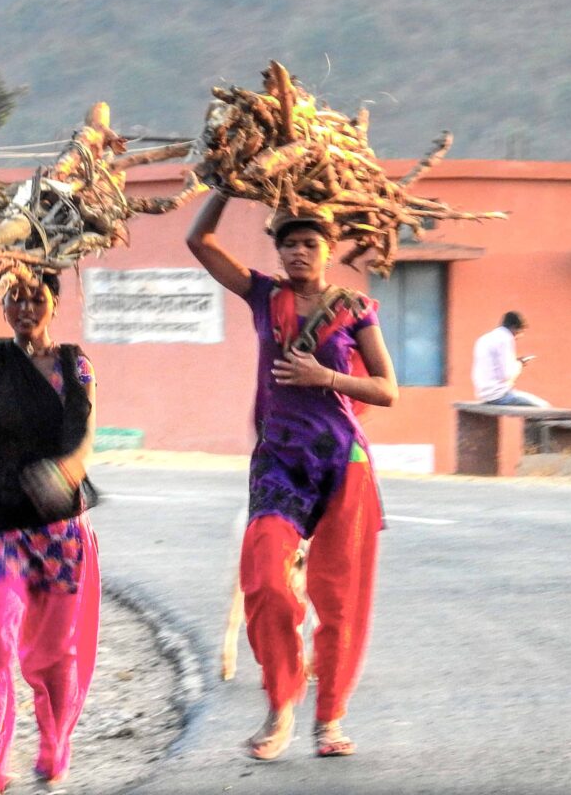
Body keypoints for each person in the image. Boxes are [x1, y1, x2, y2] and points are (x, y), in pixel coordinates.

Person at [186, 191, 398, 761]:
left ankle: (329, 718)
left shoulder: (356, 308)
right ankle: (281, 702)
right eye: (291, 243)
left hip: (341, 461)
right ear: (278, 252)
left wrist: (324, 375)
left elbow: (387, 389)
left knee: (339, 597)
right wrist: (228, 183)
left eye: (311, 243)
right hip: (279, 461)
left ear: (329, 251)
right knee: (264, 575)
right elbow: (198, 243)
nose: (301, 252)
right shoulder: (264, 295)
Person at [0, 272, 100, 795]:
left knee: (50, 656)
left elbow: (83, 440)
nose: (26, 307)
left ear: (55, 303)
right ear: (2, 305)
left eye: (37, 297)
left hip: (56, 532)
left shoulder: (73, 364)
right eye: (14, 297)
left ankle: (55, 744)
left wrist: (64, 472)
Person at [472, 311, 550, 407]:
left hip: (483, 394)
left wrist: (515, 362)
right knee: (544, 407)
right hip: (498, 395)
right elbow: (506, 374)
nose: (520, 336)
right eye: (520, 332)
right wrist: (519, 364)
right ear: (513, 328)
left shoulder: (484, 338)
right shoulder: (505, 338)